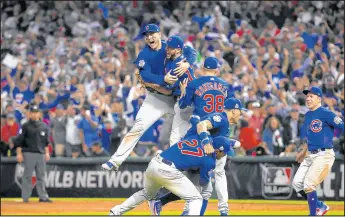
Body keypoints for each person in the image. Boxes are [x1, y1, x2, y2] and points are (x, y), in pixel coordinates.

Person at [102, 24, 197, 171]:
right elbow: (145, 75)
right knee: (138, 127)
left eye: (152, 33)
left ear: (159, 34)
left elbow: (192, 51)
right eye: (146, 35)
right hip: (157, 98)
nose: (149, 37)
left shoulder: (170, 46)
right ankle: (115, 160)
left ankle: (179, 169)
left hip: (178, 99)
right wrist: (163, 79)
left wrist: (188, 63)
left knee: (179, 135)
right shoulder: (144, 55)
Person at [154, 57, 232, 216]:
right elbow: (226, 108)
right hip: (218, 134)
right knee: (215, 177)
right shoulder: (225, 85)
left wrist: (183, 93)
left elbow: (183, 106)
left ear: (203, 68)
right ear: (217, 70)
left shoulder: (195, 83)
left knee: (194, 181)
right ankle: (223, 210)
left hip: (198, 134)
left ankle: (170, 204)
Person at [108, 120, 234, 216]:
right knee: (196, 198)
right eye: (224, 153)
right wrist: (204, 172)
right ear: (217, 150)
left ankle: (115, 211)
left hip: (154, 163)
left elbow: (196, 121)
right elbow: (203, 182)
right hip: (168, 170)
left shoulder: (198, 136)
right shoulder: (210, 160)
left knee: (146, 193)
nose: (224, 156)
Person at [149, 98, 245, 216]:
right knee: (201, 191)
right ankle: (163, 203)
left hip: (193, 155)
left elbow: (216, 138)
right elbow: (201, 125)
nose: (241, 114)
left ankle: (160, 202)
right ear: (234, 111)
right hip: (195, 155)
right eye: (240, 111)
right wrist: (206, 142)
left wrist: (231, 142)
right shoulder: (221, 118)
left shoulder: (222, 121)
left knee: (194, 189)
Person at [292, 86, 344, 216]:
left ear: (319, 99)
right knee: (297, 183)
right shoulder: (308, 115)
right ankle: (320, 206)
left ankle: (313, 214)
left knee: (309, 184)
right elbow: (309, 136)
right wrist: (303, 152)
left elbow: (342, 125)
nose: (308, 99)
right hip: (310, 153)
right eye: (307, 96)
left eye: (311, 96)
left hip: (324, 154)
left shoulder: (326, 113)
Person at [13, 104, 52, 203]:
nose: (34, 115)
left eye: (36, 112)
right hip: (29, 153)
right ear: (29, 114)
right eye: (32, 113)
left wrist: (47, 153)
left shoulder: (44, 126)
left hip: (41, 154)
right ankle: (25, 197)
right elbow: (19, 141)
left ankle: (43, 197)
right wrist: (19, 153)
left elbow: (46, 142)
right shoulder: (25, 126)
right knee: (27, 176)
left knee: (41, 176)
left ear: (39, 114)